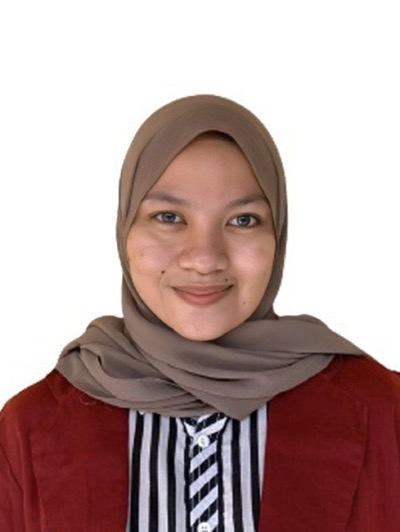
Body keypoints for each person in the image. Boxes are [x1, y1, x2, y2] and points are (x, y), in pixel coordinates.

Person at [1, 95, 399, 532]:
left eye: (243, 220)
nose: (205, 258)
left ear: (278, 235)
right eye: (168, 217)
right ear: (125, 230)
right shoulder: (29, 429)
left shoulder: (385, 414)